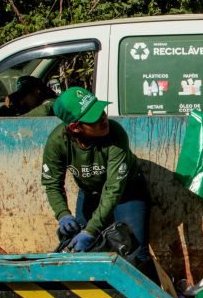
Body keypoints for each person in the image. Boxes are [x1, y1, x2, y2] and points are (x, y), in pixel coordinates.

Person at [41, 87, 153, 272]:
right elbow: (52, 184)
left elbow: (114, 189)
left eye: (101, 111)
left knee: (136, 252)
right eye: (94, 118)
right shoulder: (57, 142)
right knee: (82, 249)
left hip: (127, 192)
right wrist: (63, 215)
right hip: (91, 192)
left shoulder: (115, 134)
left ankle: (151, 289)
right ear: (75, 127)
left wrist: (90, 230)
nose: (103, 118)